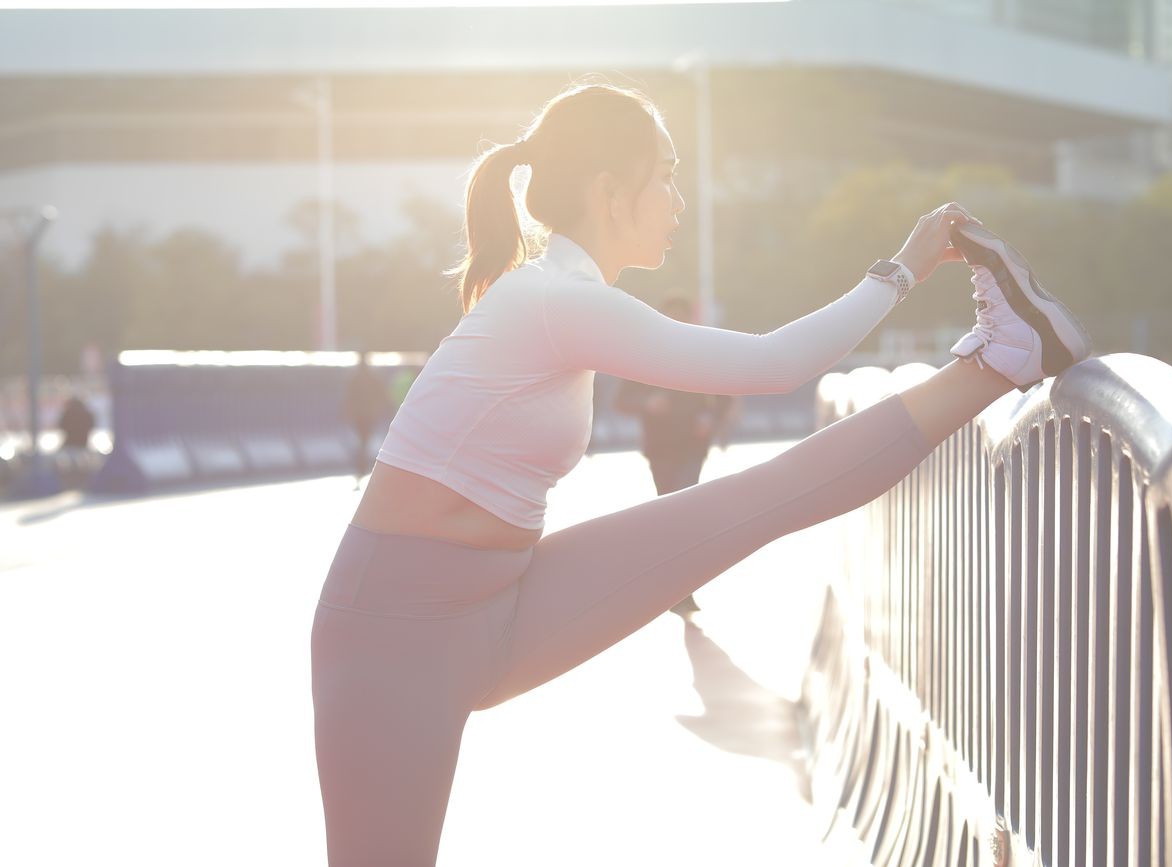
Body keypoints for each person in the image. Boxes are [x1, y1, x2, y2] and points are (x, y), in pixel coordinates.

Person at [310, 81, 1092, 866]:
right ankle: (1005, 355)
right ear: (610, 192)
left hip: (502, 596)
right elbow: (773, 364)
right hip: (393, 631)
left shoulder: (571, 298)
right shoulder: (551, 300)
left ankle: (1001, 361)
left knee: (762, 499)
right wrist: (900, 270)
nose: (679, 198)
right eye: (668, 173)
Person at [614, 293, 738, 616]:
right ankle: (672, 588)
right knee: (668, 514)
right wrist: (647, 403)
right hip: (661, 448)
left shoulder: (702, 352)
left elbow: (726, 392)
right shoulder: (643, 356)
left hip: (692, 446)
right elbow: (622, 400)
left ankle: (683, 590)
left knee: (686, 514)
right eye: (670, 318)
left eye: (681, 318)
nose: (676, 324)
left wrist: (711, 418)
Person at [340, 351, 392, 489]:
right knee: (365, 442)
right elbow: (382, 393)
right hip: (368, 414)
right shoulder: (371, 376)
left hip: (360, 414)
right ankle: (364, 468)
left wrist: (348, 411)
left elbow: (348, 396)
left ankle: (361, 468)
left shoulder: (355, 376)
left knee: (362, 442)